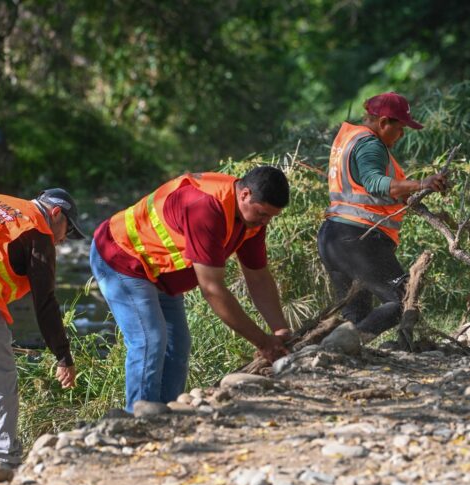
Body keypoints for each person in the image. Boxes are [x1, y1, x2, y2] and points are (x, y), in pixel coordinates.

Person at [89, 166, 291, 413]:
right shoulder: (205, 208)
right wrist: (263, 342)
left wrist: (280, 329)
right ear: (245, 194)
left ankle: (165, 413)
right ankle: (138, 417)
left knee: (178, 344)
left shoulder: (251, 218)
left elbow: (258, 276)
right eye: (262, 213)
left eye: (271, 216)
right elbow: (212, 289)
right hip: (120, 256)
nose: (265, 222)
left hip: (161, 271)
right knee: (150, 340)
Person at [0, 188, 84, 465]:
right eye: (67, 231)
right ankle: (5, 460)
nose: (63, 240)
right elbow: (45, 303)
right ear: (56, 213)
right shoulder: (38, 232)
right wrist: (63, 356)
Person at [318, 92, 447, 342]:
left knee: (356, 312)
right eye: (400, 128)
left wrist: (404, 194)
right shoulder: (370, 144)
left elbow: (364, 188)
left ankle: (336, 354)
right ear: (384, 122)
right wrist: (422, 183)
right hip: (359, 237)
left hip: (333, 237)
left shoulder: (350, 139)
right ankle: (340, 347)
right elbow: (375, 183)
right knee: (402, 299)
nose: (402, 135)